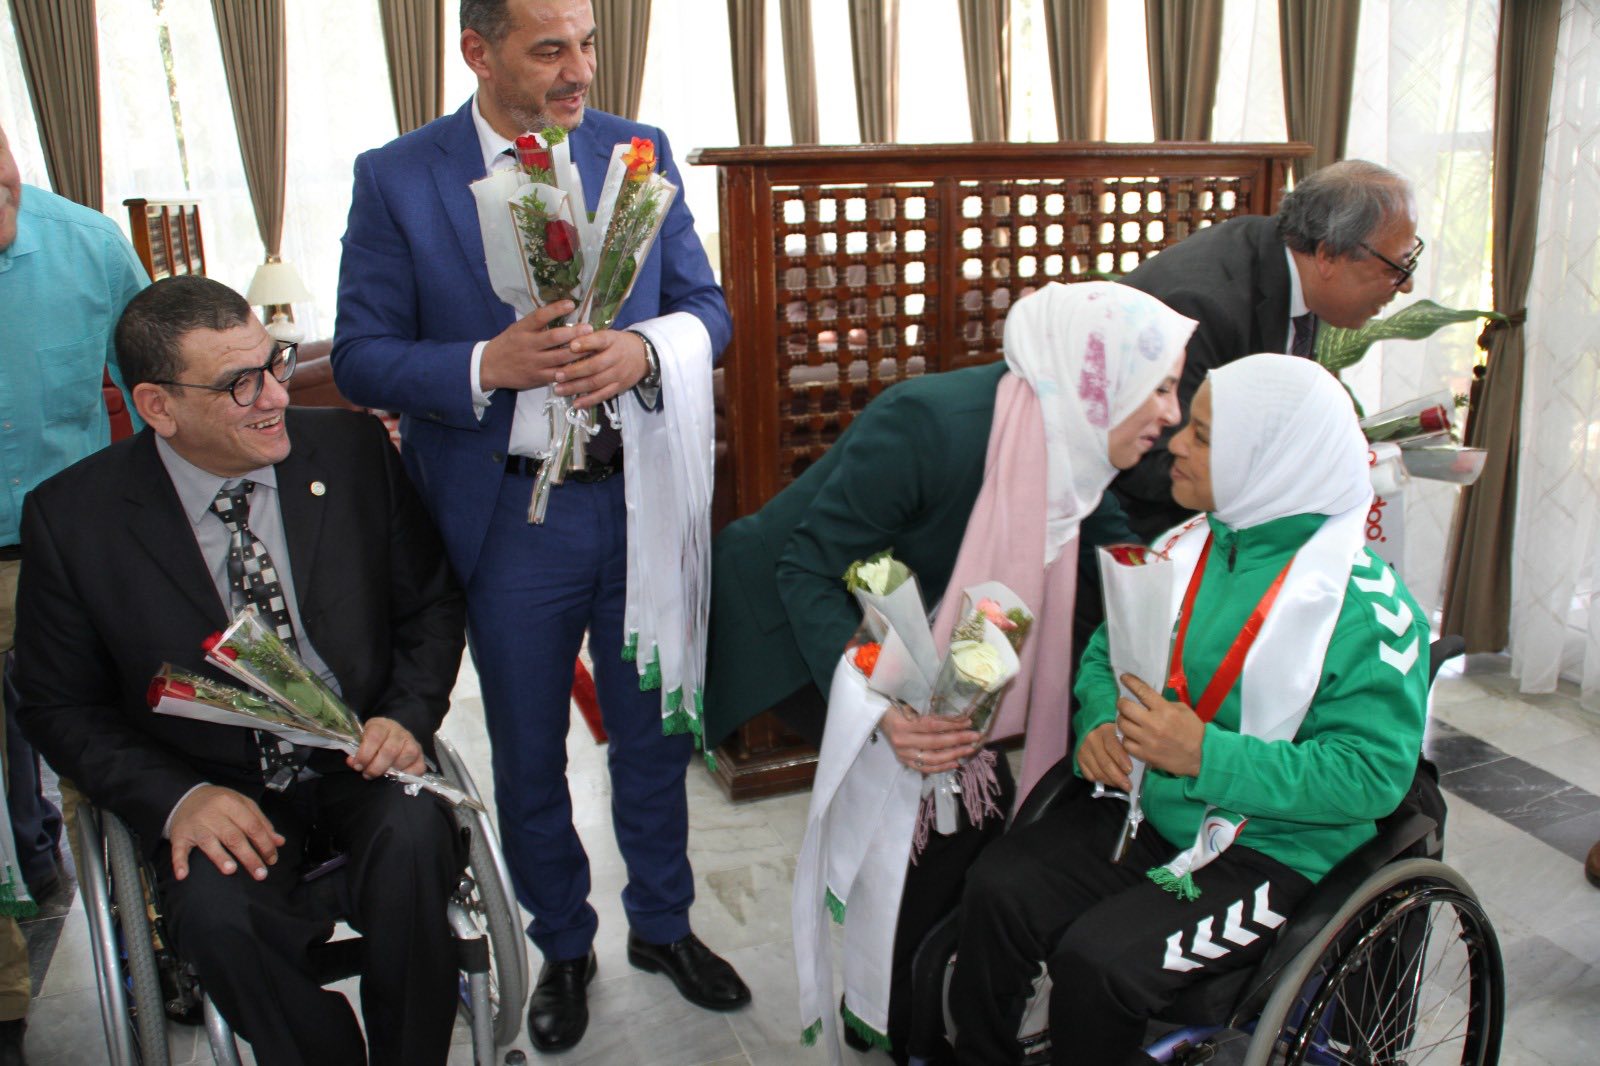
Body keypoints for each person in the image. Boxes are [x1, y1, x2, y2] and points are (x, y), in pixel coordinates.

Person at [330, 0, 746, 1051]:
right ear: (478, 52)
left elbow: (709, 310)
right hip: (512, 518)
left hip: (640, 498)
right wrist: (487, 363)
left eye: (588, 43)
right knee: (528, 750)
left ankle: (664, 925)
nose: (580, 71)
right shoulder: (397, 177)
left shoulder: (637, 152)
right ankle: (562, 943)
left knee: (655, 738)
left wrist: (644, 350)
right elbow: (361, 355)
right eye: (550, 48)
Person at [707, 281, 1199, 1061]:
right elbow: (808, 569)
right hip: (795, 621)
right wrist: (881, 706)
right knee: (945, 815)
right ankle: (905, 1023)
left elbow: (1119, 568)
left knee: (963, 816)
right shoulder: (929, 425)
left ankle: (898, 1005)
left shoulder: (1073, 447)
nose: (1173, 414)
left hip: (906, 626)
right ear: (1100, 379)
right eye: (1162, 387)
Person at [14, 276, 468, 1066]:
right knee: (218, 920)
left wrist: (406, 714)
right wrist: (178, 799)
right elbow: (58, 706)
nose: (276, 397)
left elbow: (429, 603)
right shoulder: (74, 520)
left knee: (416, 843)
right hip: (211, 784)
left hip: (359, 757)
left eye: (274, 363)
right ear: (158, 407)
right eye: (239, 384)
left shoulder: (353, 451)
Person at [949, 354, 1430, 1065]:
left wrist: (1206, 755)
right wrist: (1101, 722)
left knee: (1099, 966)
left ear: (1266, 461)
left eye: (1202, 435)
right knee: (997, 889)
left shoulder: (1366, 610)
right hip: (1155, 809)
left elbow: (1372, 776)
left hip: (1277, 850)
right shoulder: (1185, 545)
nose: (1175, 443)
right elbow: (1108, 657)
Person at [0, 119, 148, 1064]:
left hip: (66, 562)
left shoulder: (89, 245)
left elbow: (162, 399)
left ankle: (152, 948)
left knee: (113, 767)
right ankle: (5, 1003)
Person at [1114, 159, 1420, 541]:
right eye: (1396, 267)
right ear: (1328, 256)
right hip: (1143, 533)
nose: (1406, 285)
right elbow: (1156, 463)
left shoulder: (1289, 267)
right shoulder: (1205, 306)